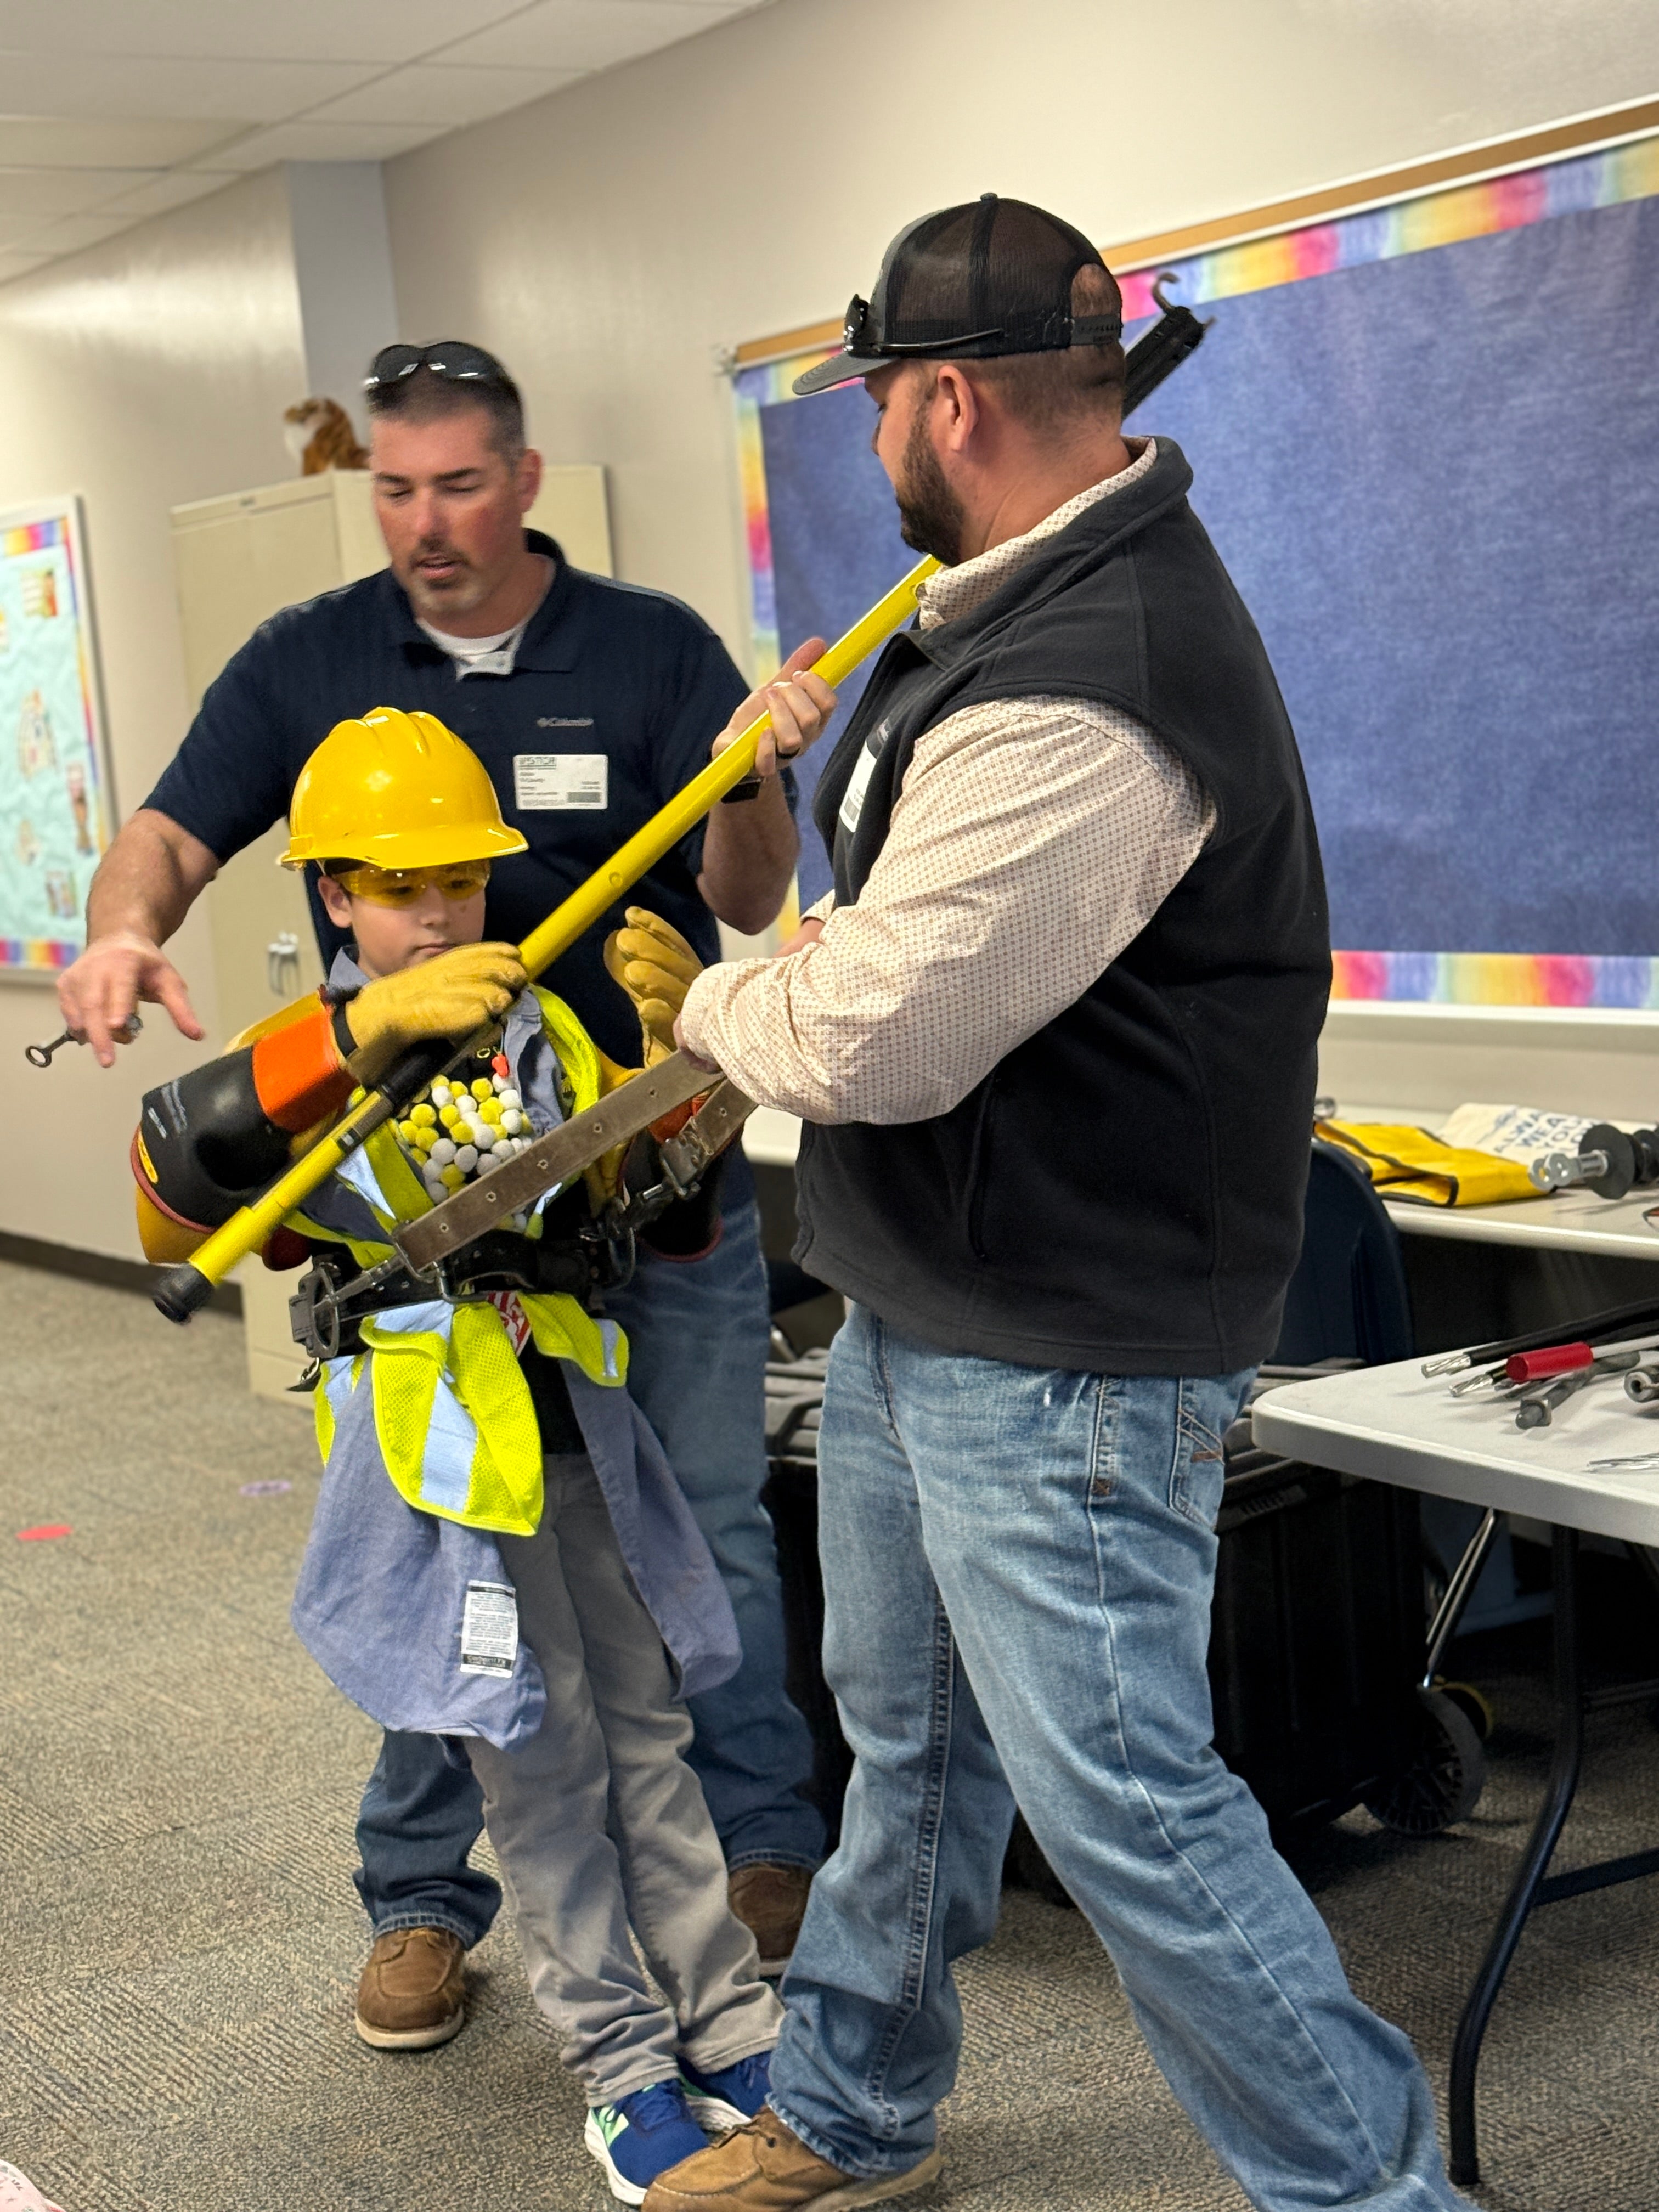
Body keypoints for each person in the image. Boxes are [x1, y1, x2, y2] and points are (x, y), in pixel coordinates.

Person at [646, 198, 1474, 2211]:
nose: (865, 451)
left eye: (872, 413)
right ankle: (849, 2109)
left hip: (1071, 1355)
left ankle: (1382, 2199)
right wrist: (810, 951)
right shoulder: (1004, 615)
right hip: (928, 1296)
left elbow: (880, 1034)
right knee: (907, 1745)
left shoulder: (1092, 675)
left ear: (946, 403)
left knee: (1125, 1807)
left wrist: (724, 996)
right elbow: (899, 946)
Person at [59, 341, 833, 2045]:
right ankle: (424, 1896)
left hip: (646, 1172)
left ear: (526, 478)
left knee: (702, 1534)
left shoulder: (649, 651)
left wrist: (755, 790)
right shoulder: (312, 660)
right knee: (452, 1555)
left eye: (459, 484)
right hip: (432, 1232)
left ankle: (761, 1848)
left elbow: (753, 889)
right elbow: (175, 833)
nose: (425, 521)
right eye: (394, 489)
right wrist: (126, 927)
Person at [129, 706, 784, 2203]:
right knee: (540, 1772)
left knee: (650, 1737)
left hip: (578, 1435)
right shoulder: (304, 1067)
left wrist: (689, 1073)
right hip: (438, 1476)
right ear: (337, 896)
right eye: (402, 888)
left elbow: (643, 1218)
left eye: (462, 885)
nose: (438, 916)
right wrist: (353, 1045)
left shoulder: (539, 1026)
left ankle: (730, 2021)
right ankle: (623, 2071)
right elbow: (168, 1198)